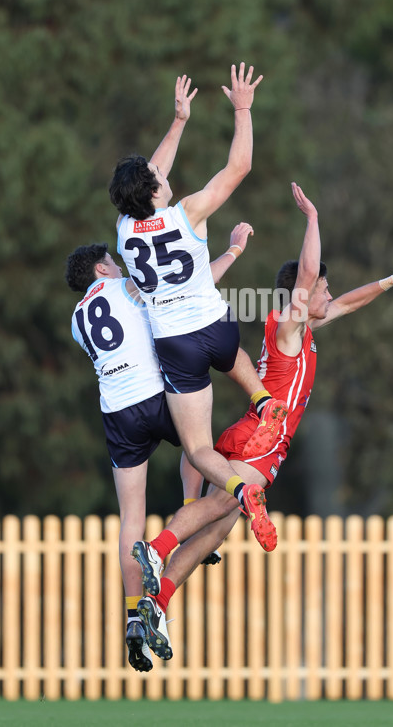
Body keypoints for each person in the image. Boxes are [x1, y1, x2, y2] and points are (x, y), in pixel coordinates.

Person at [131, 182, 393, 661]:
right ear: (302, 293)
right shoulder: (290, 324)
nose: (327, 294)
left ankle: (157, 599)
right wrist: (312, 218)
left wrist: (391, 280)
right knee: (220, 511)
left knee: (215, 524)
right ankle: (157, 547)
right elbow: (310, 271)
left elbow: (348, 303)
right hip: (264, 439)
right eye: (322, 290)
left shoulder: (304, 326)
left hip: (250, 429)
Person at [109, 66, 287, 553]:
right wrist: (243, 110)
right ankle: (262, 399)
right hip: (214, 326)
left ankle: (239, 490)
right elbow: (239, 166)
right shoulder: (188, 211)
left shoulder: (125, 230)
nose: (160, 176)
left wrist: (179, 121)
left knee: (198, 449)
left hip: (175, 343)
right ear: (153, 192)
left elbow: (150, 174)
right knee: (237, 361)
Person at [65, 221, 254, 672]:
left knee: (130, 516)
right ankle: (191, 519)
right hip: (153, 393)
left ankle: (134, 615)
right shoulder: (125, 287)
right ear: (101, 269)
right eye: (110, 260)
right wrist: (232, 252)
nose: (116, 262)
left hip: (116, 411)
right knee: (199, 448)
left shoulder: (77, 321)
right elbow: (185, 290)